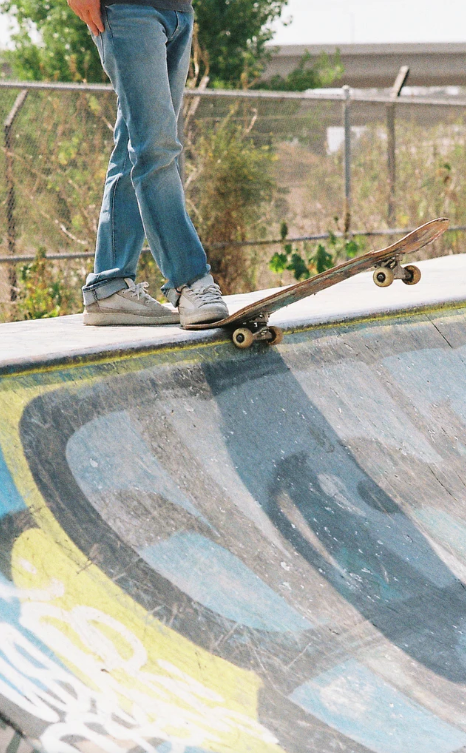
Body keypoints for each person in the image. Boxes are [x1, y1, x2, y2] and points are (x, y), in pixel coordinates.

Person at [68, 0, 229, 326]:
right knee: (156, 149)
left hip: (178, 11)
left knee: (136, 145)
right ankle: (190, 279)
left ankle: (110, 286)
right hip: (128, 9)